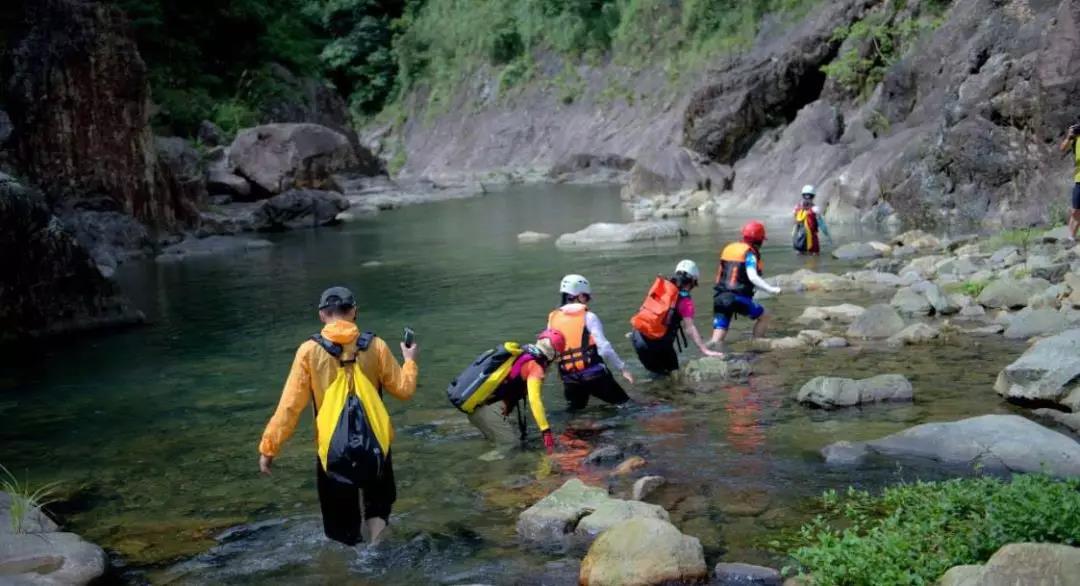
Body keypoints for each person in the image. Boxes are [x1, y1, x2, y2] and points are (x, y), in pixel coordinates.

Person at [258, 286, 418, 546]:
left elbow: (289, 406)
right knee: (378, 505)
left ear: (322, 315)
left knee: (340, 524)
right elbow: (404, 390)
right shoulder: (375, 345)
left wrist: (269, 448)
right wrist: (409, 361)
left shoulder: (308, 351)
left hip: (331, 449)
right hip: (376, 443)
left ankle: (352, 566)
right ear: (354, 311)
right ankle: (377, 546)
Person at [463, 329, 566, 453]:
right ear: (553, 354)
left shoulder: (523, 352)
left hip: (476, 408)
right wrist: (545, 430)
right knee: (510, 446)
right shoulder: (536, 367)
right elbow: (535, 401)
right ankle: (482, 468)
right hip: (490, 414)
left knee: (496, 444)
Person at [548, 274, 634, 410]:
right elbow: (604, 348)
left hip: (570, 379)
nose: (587, 301)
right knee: (627, 406)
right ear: (579, 296)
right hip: (594, 376)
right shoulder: (589, 317)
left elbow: (551, 350)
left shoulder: (553, 318)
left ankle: (571, 431)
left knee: (575, 413)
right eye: (586, 297)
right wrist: (622, 369)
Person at [631, 260, 724, 375]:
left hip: (637, 337)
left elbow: (645, 308)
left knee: (658, 377)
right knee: (673, 375)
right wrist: (704, 349)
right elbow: (689, 328)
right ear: (692, 281)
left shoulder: (662, 286)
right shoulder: (685, 300)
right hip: (658, 344)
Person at [709, 221, 783, 351]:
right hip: (736, 299)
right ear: (759, 240)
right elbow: (753, 276)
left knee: (718, 334)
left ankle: (709, 353)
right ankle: (757, 347)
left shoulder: (729, 248)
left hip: (719, 298)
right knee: (765, 315)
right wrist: (771, 289)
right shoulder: (750, 254)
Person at [792, 184, 832, 255]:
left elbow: (795, 225)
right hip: (812, 239)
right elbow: (822, 225)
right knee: (815, 255)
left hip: (800, 237)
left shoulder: (796, 208)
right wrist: (827, 235)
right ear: (813, 196)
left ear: (802, 195)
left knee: (799, 254)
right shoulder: (815, 209)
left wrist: (794, 236)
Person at [1060, 123, 1080, 242]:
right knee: (1076, 209)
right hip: (1079, 178)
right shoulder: (1076, 137)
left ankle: (1072, 237)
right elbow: (1062, 148)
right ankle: (1070, 237)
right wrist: (1069, 136)